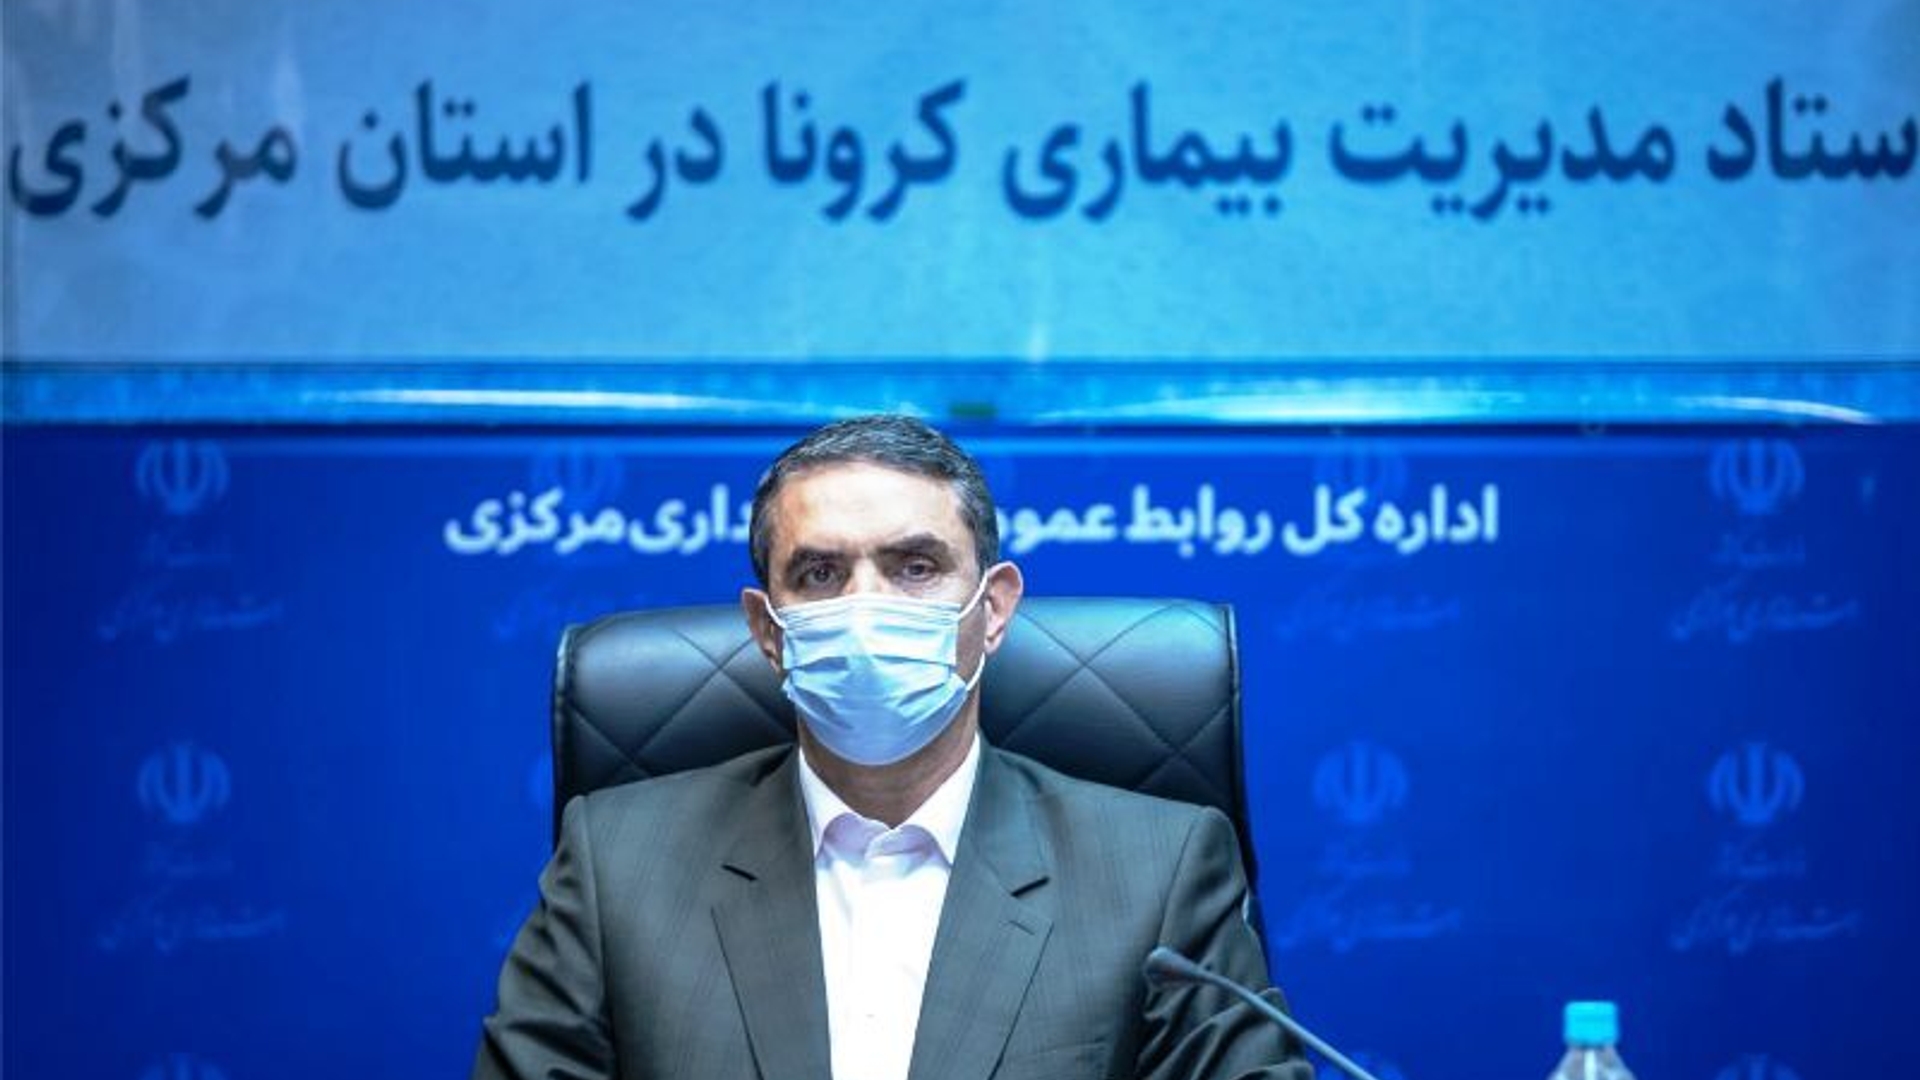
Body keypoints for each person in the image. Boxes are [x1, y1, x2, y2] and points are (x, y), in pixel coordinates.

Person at [473, 415, 1312, 1080]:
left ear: (992, 609)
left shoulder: (1159, 871)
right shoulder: (618, 865)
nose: (865, 608)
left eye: (915, 567)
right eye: (820, 575)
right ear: (767, 629)